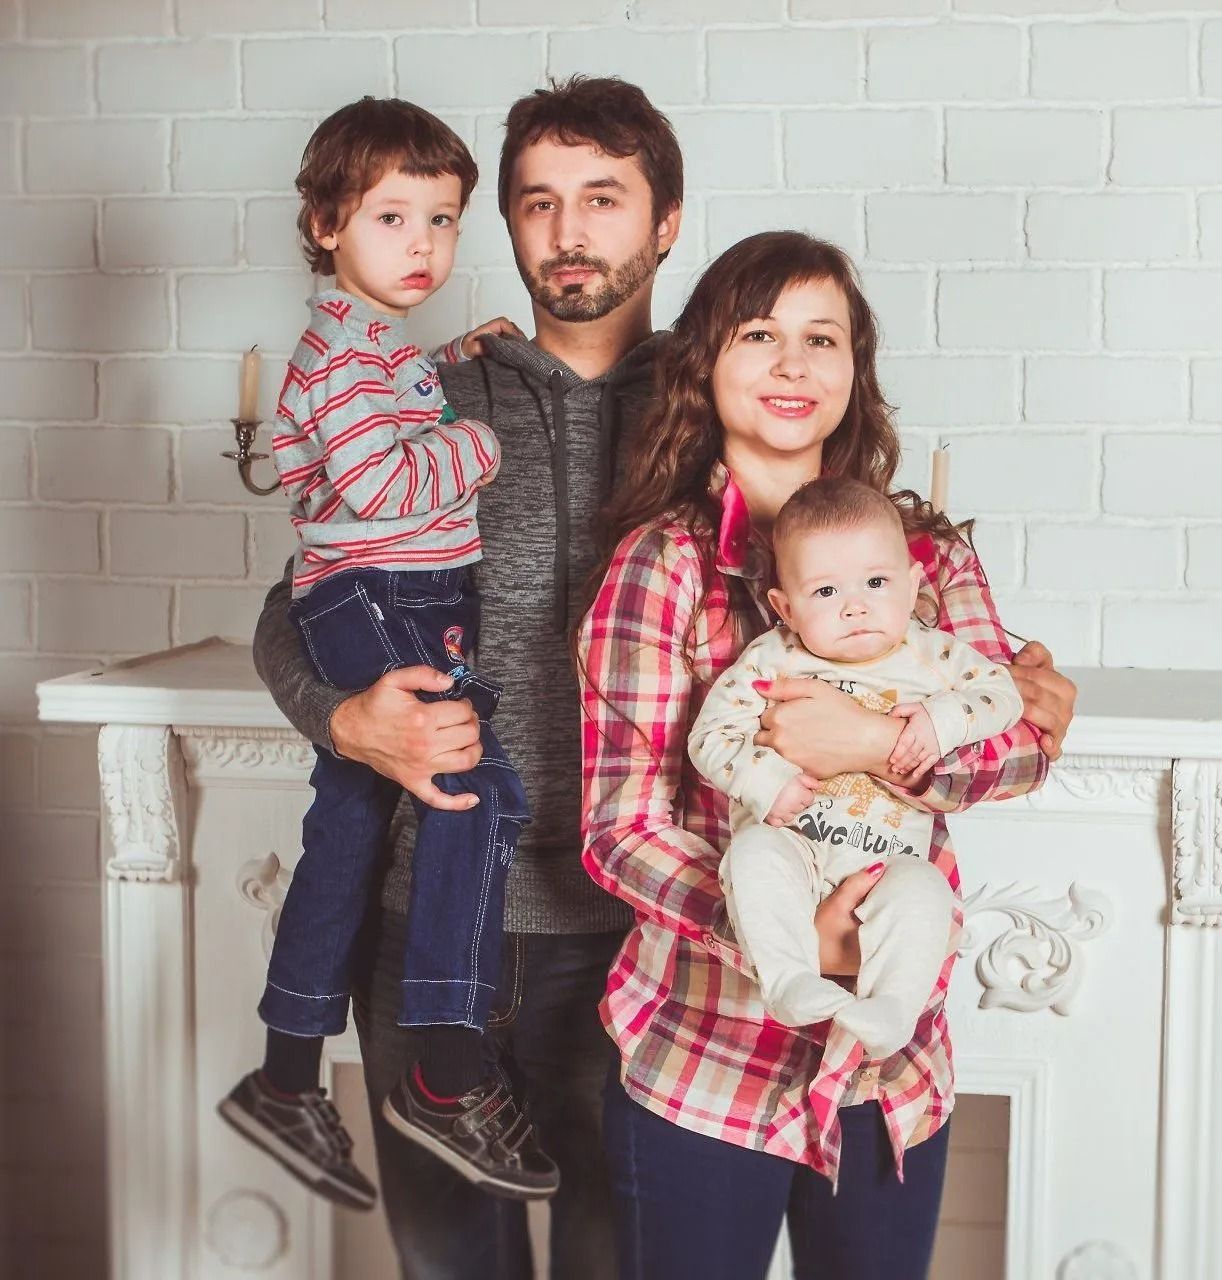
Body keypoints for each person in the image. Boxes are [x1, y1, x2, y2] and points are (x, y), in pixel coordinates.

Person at [250, 76, 683, 1278]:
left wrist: (1002, 659)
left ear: (666, 221)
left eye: (602, 198)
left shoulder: (716, 405)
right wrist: (343, 717)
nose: (568, 230)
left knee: (621, 1257)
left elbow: (836, 574)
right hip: (434, 918)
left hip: (633, 930)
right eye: (537, 202)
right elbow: (296, 607)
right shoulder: (429, 390)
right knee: (450, 1265)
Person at [577, 230, 1072, 1280]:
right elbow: (619, 827)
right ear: (706, 363)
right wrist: (788, 933)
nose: (792, 365)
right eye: (759, 335)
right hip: (707, 1051)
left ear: (856, 371)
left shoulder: (922, 554)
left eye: (821, 339)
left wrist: (880, 743)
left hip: (890, 1066)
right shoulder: (659, 565)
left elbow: (1020, 745)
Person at [220, 95, 559, 1208]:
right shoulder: (338, 355)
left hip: (386, 591)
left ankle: (283, 1074)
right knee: (476, 797)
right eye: (391, 218)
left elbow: (383, 414)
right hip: (380, 599)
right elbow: (380, 480)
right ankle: (443, 1071)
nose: (422, 245)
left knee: (351, 829)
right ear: (325, 223)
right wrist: (478, 439)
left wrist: (450, 362)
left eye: (442, 221)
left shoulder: (376, 347)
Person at [688, 475, 1023, 1059]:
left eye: (876, 582)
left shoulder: (933, 654)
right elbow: (709, 737)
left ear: (914, 585)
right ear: (784, 608)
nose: (855, 605)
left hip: (884, 861)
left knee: (925, 892)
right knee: (752, 858)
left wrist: (942, 721)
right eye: (825, 593)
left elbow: (1004, 696)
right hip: (794, 846)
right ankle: (789, 979)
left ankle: (892, 1008)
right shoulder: (771, 659)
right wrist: (765, 781)